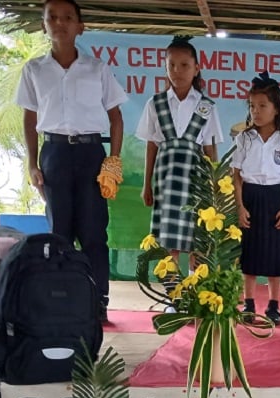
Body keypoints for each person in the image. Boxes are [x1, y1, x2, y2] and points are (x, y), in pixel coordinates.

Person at [15, 0, 127, 321]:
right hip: (54, 155)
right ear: (43, 25)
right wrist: (32, 163)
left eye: (68, 18)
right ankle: (61, 300)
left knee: (94, 231)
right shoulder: (34, 70)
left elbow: (116, 117)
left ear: (81, 26)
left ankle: (97, 300)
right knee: (59, 232)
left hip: (92, 154)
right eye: (52, 17)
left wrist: (114, 160)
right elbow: (29, 118)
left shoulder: (97, 68)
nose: (60, 23)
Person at [135, 35, 224, 289]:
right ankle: (173, 295)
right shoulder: (156, 103)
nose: (177, 71)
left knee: (196, 239)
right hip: (166, 181)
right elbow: (151, 145)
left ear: (197, 68)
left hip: (196, 182)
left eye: (184, 65)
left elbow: (210, 150)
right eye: (171, 65)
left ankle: (197, 293)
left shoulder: (206, 106)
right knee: (168, 240)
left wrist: (214, 186)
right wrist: (147, 184)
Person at [231, 72, 280, 326]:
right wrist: (240, 207)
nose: (256, 111)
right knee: (249, 254)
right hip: (250, 197)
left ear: (276, 109)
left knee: (275, 255)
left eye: (263, 106)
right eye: (252, 106)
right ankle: (249, 303)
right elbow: (237, 176)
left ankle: (274, 305)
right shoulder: (243, 138)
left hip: (275, 197)